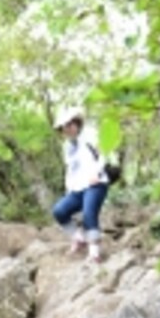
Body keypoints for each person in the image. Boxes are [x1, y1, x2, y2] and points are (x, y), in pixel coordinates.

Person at [51, 107, 110, 263]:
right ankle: (78, 238)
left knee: (89, 213)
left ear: (77, 124)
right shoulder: (67, 146)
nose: (68, 130)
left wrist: (97, 172)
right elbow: (70, 169)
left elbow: (104, 153)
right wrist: (68, 188)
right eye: (64, 128)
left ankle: (94, 252)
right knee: (59, 211)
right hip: (77, 187)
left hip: (96, 183)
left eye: (70, 125)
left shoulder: (90, 134)